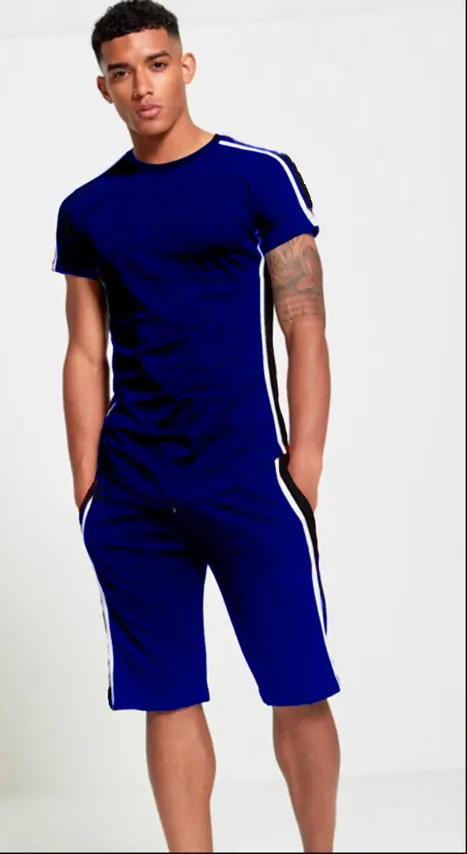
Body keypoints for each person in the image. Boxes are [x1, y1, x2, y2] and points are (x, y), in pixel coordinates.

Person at [51, 1, 341, 850]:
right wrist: (88, 488)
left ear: (186, 66)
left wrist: (304, 462)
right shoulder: (88, 208)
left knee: (298, 685)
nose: (141, 86)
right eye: (121, 72)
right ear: (103, 88)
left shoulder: (258, 176)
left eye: (155, 64)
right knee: (167, 696)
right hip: (135, 492)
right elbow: (84, 353)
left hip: (250, 477)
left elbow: (305, 323)